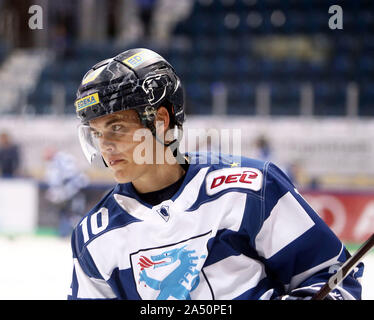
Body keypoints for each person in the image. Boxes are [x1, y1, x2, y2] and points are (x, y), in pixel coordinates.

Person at [68, 48, 363, 300]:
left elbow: (334, 277)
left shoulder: (250, 187)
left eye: (117, 127)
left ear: (160, 121)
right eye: (96, 133)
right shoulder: (93, 238)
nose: (105, 145)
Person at [43, 147, 89, 237]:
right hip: (67, 192)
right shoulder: (52, 164)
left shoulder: (62, 159)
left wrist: (61, 193)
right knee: (66, 213)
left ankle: (80, 235)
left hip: (76, 189)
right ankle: (66, 233)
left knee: (75, 213)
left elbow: (70, 176)